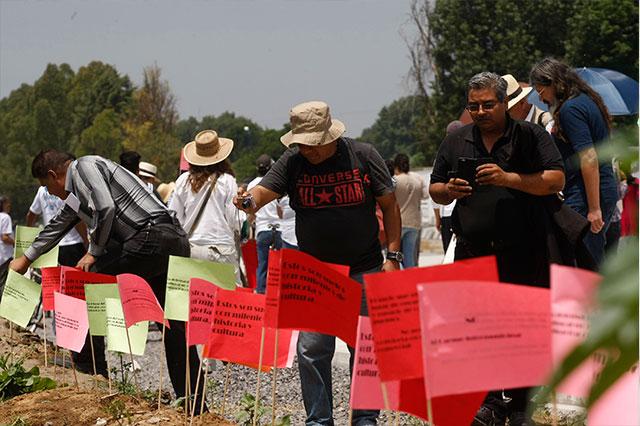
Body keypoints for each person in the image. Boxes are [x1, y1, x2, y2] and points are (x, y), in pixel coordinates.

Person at [234, 100, 401, 425]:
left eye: (312, 144)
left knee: (364, 349)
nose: (306, 150)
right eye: (301, 143)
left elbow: (390, 205)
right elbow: (262, 194)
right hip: (315, 275)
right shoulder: (294, 161)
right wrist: (246, 200)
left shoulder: (364, 155)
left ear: (330, 137)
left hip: (364, 268)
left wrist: (392, 256)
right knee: (311, 350)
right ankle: (318, 421)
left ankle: (365, 419)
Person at [9, 149, 204, 411]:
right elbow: (58, 224)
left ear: (55, 175)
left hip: (149, 238)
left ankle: (91, 370)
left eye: (47, 187)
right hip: (172, 242)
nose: (50, 194)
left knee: (88, 285)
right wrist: (26, 258)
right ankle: (196, 407)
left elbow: (105, 206)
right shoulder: (77, 195)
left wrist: (93, 252)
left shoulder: (85, 167)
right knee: (175, 327)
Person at [429, 72, 565, 425]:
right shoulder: (457, 140)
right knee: (477, 328)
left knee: (522, 329)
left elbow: (556, 180)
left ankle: (521, 404)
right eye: (473, 106)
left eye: (488, 105)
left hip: (524, 248)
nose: (480, 112)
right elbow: (435, 187)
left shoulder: (530, 136)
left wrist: (508, 179)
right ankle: (489, 401)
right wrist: (450, 191)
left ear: (506, 103)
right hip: (473, 250)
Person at [530, 57, 618, 268]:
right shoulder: (586, 100)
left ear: (553, 82)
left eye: (541, 91)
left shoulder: (570, 110)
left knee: (584, 257)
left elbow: (588, 158)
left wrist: (594, 208)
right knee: (590, 254)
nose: (541, 99)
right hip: (596, 189)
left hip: (586, 194)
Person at [169, 130, 244, 284]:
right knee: (227, 299)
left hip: (191, 248)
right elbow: (234, 220)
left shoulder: (183, 180)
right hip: (220, 249)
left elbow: (174, 217)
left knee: (192, 301)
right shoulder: (227, 180)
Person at [247, 154, 297, 294]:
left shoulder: (252, 185)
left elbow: (251, 211)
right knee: (279, 266)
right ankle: (278, 293)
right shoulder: (276, 182)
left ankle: (261, 292)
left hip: (262, 228)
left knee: (262, 264)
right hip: (279, 228)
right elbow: (280, 208)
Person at [27, 180, 88, 267]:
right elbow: (75, 216)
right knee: (75, 278)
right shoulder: (66, 188)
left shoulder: (41, 190)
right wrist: (85, 239)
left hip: (50, 245)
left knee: (54, 279)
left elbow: (32, 214)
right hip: (73, 243)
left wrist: (29, 232)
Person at [393, 153, 428, 268]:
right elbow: (425, 195)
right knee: (409, 257)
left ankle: (399, 281)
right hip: (414, 222)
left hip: (398, 223)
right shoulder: (417, 179)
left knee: (395, 256)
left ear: (396, 166)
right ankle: (410, 281)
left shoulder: (394, 181)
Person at [0, 196, 14, 298]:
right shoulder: (5, 217)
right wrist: (15, 242)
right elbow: (5, 237)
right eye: (7, 203)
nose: (9, 205)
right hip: (5, 256)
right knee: (3, 284)